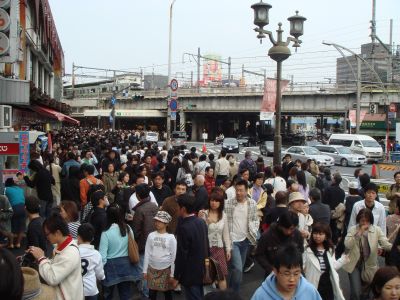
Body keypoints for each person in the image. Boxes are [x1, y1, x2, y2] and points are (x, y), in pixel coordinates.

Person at [28, 213, 84, 300]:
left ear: (57, 232)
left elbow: (52, 278)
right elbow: (57, 266)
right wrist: (41, 256)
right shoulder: (63, 245)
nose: (46, 237)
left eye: (47, 234)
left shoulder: (70, 253)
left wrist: (41, 258)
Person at [344, 208, 393, 300]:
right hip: (354, 264)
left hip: (369, 264)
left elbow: (385, 244)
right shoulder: (353, 229)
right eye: (362, 220)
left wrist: (395, 248)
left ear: (371, 221)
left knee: (367, 291)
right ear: (358, 220)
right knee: (356, 292)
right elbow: (347, 244)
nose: (364, 223)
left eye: (367, 221)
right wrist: (359, 233)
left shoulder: (376, 230)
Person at [99, 204, 141, 300]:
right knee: (125, 294)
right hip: (127, 265)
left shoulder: (106, 233)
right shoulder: (128, 228)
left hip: (111, 267)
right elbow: (132, 246)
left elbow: (103, 256)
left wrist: (100, 272)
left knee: (108, 295)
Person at [224, 179, 260, 292]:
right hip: (233, 240)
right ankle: (235, 294)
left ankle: (228, 292)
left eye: (241, 190)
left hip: (246, 240)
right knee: (238, 269)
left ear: (246, 191)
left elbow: (255, 219)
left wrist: (253, 231)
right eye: (237, 190)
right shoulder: (229, 203)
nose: (238, 193)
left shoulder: (252, 203)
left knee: (235, 269)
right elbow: (221, 216)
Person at [171, 194, 208, 300]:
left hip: (189, 273)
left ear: (183, 208)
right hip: (201, 269)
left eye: (178, 206)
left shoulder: (184, 228)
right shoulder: (201, 222)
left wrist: (176, 276)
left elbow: (182, 254)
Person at [251, 244, 322, 300]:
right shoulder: (261, 295)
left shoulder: (310, 291)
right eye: (286, 274)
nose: (292, 279)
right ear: (275, 271)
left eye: (296, 273)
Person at [303, 222, 348, 300]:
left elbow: (333, 266)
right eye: (315, 233)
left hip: (327, 285)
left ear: (326, 236)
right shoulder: (307, 250)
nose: (317, 236)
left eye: (320, 234)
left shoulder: (330, 250)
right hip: (313, 284)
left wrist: (343, 260)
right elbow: (302, 267)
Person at [199, 189, 232, 290]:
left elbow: (225, 233)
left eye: (217, 201)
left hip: (219, 248)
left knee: (221, 276)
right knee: (207, 275)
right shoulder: (203, 214)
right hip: (205, 249)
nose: (214, 203)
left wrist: (228, 249)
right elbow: (200, 232)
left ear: (221, 203)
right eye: (212, 200)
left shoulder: (223, 215)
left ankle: (223, 297)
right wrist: (205, 221)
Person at [256, 211, 304, 277]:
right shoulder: (267, 235)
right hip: (273, 273)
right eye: (285, 228)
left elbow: (300, 253)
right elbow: (259, 254)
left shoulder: (297, 235)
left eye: (291, 229)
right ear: (280, 225)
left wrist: (300, 272)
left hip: (293, 273)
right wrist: (271, 269)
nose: (288, 232)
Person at [132, 183, 158, 299]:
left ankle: (146, 294)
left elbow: (136, 231)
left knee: (144, 271)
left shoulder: (139, 210)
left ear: (138, 195)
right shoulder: (154, 206)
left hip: (143, 244)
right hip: (156, 243)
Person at [143, 211, 177, 300]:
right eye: (156, 221)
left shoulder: (171, 238)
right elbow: (147, 252)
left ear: (166, 224)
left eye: (160, 221)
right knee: (152, 293)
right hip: (152, 269)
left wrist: (172, 274)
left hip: (165, 269)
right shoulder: (151, 235)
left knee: (167, 292)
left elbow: (174, 257)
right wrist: (144, 270)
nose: (157, 223)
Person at [77, 223, 105, 300]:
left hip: (76, 290)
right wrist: (103, 277)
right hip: (91, 290)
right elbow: (100, 275)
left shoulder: (74, 252)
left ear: (78, 237)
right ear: (92, 238)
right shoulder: (96, 254)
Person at [4, 178, 25, 249]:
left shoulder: (6, 189)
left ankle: (11, 244)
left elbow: (4, 199)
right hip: (23, 208)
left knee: (12, 226)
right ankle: (18, 243)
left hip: (14, 208)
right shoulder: (20, 189)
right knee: (22, 226)